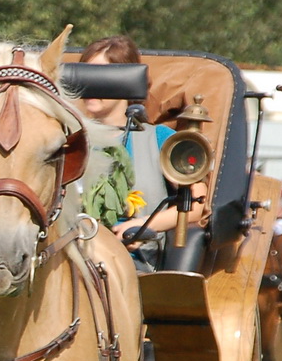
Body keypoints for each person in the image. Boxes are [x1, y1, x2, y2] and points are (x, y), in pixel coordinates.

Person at [71, 36, 205, 245]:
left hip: (136, 258)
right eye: (85, 75)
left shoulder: (159, 140)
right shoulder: (68, 139)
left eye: (99, 76)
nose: (90, 85)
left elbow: (196, 205)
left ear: (127, 80)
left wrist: (144, 226)